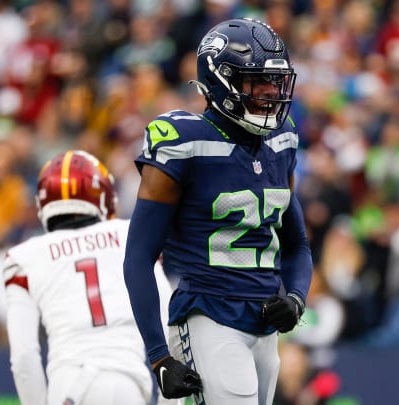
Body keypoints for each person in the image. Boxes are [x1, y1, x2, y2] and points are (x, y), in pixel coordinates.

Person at [123, 17, 313, 405]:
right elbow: (138, 256)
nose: (270, 93)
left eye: (275, 82)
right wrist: (158, 356)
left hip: (264, 327)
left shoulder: (282, 139)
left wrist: (295, 298)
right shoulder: (184, 142)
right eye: (256, 82)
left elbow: (297, 246)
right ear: (221, 82)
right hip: (207, 316)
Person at [2, 150, 175, 405]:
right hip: (123, 381)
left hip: (67, 384)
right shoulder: (129, 234)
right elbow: (168, 320)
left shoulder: (24, 256)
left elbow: (24, 356)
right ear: (103, 196)